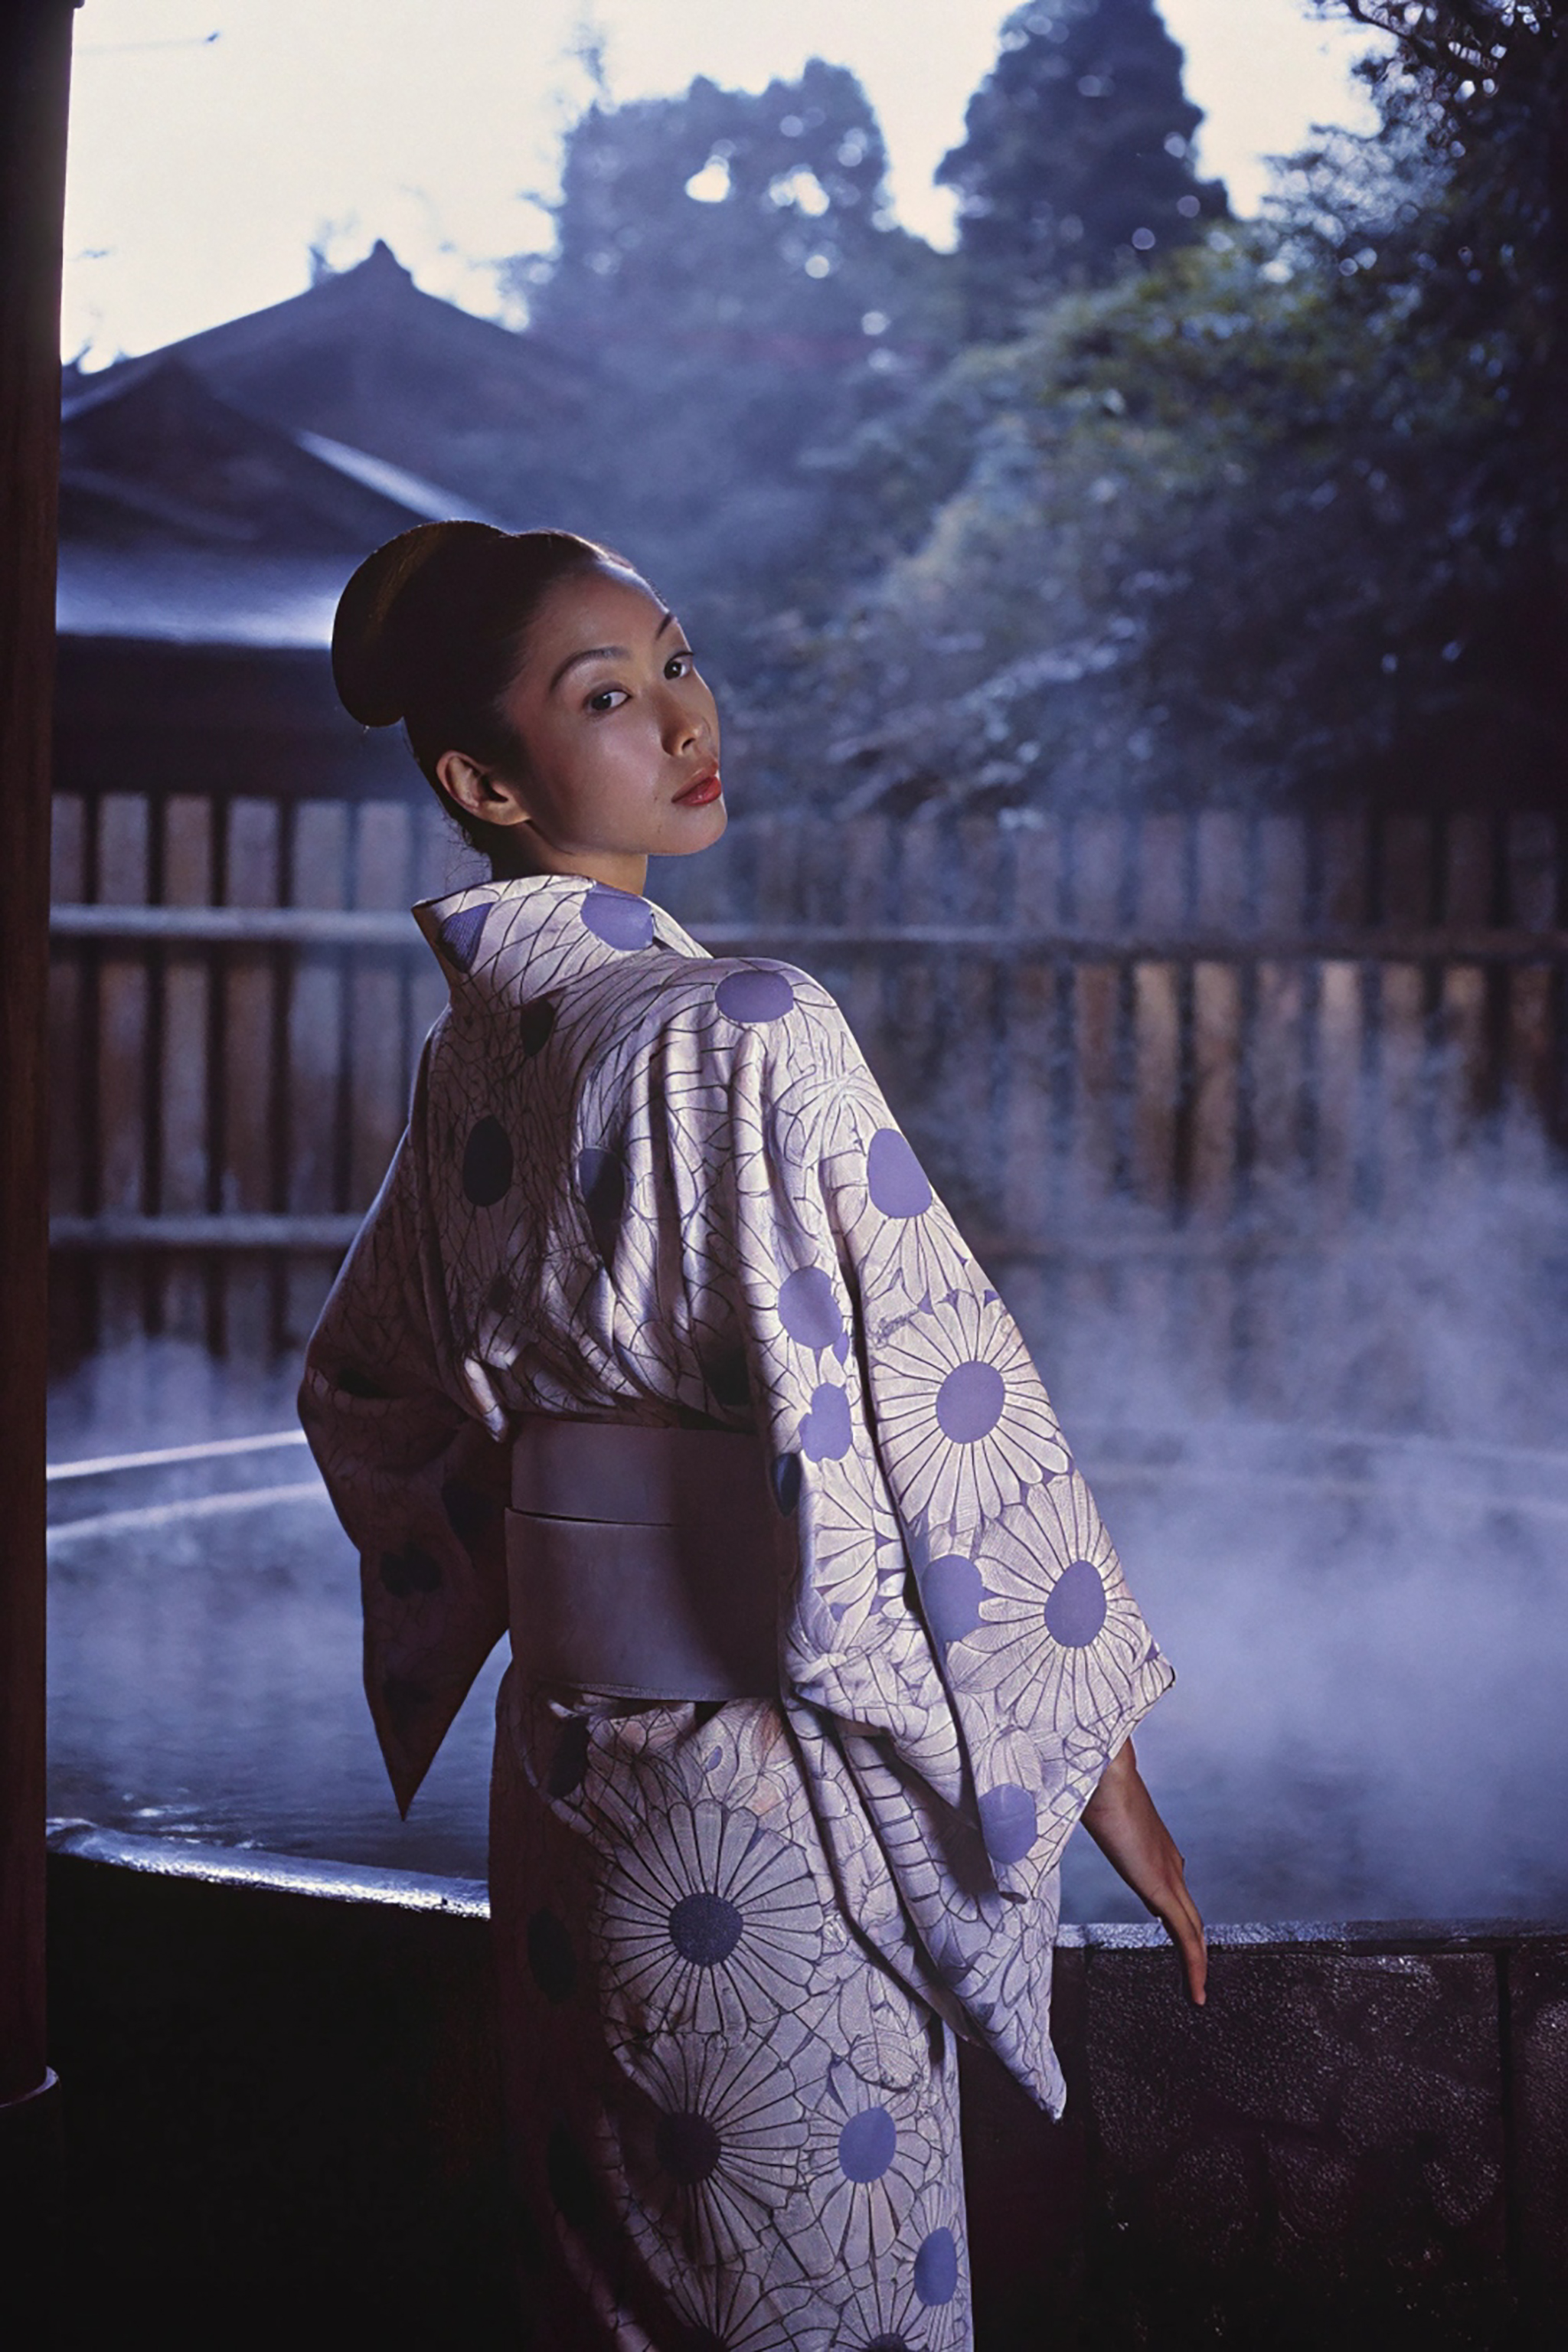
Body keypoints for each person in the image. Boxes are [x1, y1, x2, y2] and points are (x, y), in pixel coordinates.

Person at [299, 521, 1206, 2350]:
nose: (683, 717)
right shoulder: (750, 1024)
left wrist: (560, 1533)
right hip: (749, 1803)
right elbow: (935, 1414)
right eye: (607, 697)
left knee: (629, 2299)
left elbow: (372, 1385)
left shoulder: (486, 1046)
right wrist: (1090, 1751)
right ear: (486, 779)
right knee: (824, 2304)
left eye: (677, 660)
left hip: (572, 1804)